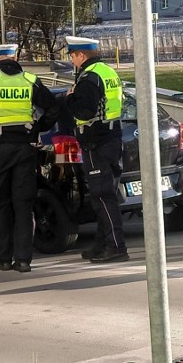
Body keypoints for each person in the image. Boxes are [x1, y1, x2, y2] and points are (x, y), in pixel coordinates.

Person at [0, 44, 60, 273]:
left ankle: (3, 259)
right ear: (14, 58)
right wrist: (36, 129)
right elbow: (52, 109)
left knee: (0, 204)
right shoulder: (30, 80)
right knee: (23, 204)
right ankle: (24, 260)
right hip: (25, 148)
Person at [64, 36, 129, 263]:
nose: (72, 61)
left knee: (102, 196)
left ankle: (116, 246)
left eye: (72, 57)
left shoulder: (88, 79)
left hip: (96, 143)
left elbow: (84, 112)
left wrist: (69, 99)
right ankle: (101, 245)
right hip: (112, 138)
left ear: (81, 55)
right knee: (107, 194)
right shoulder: (108, 72)